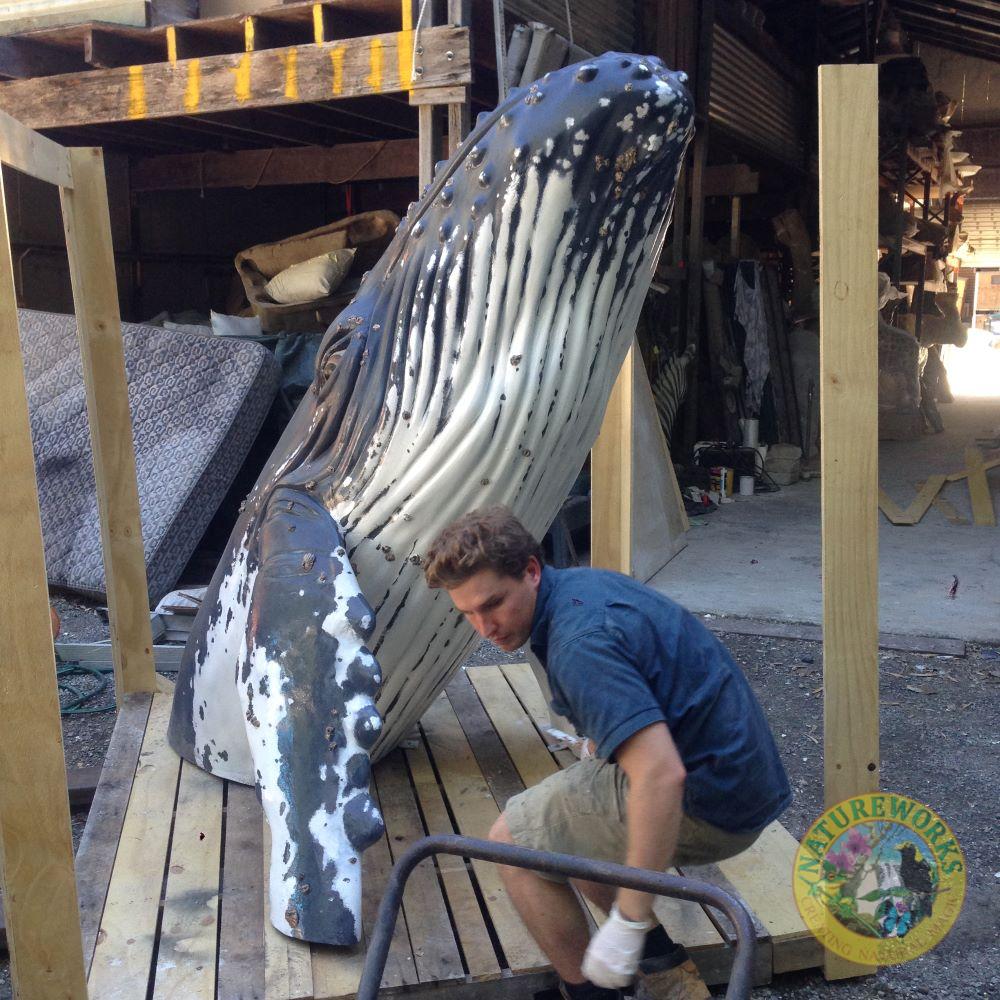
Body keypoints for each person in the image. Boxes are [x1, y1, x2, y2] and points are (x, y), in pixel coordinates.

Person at [423, 507, 792, 1000]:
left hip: (714, 801)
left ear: (531, 570)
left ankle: (590, 994)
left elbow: (660, 776)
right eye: (466, 613)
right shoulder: (581, 589)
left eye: (493, 604)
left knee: (513, 840)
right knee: (570, 818)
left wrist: (628, 919)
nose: (484, 627)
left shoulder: (580, 643)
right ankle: (664, 971)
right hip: (745, 776)